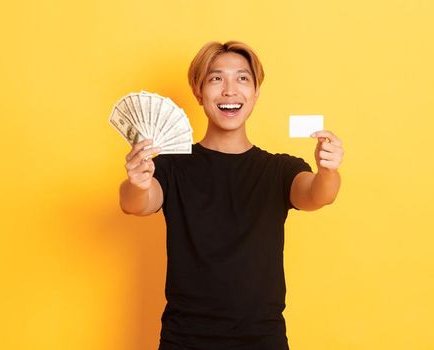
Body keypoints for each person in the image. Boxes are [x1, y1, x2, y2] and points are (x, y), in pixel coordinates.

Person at [118, 41, 344, 350]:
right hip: (185, 339)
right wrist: (137, 182)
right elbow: (137, 203)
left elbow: (317, 194)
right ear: (199, 92)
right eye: (215, 78)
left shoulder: (279, 170)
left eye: (242, 78)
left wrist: (328, 170)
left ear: (256, 93)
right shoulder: (172, 166)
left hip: (262, 339)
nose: (229, 90)